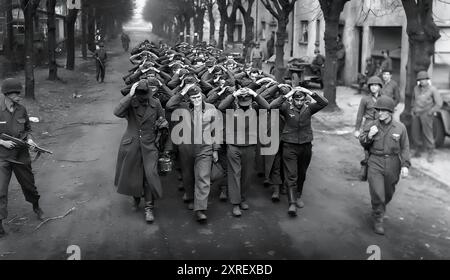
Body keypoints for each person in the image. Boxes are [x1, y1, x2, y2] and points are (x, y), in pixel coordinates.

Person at [113, 79, 170, 223]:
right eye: (139, 93)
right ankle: (136, 198)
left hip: (150, 145)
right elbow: (117, 112)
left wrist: (162, 127)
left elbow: (163, 122)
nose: (142, 96)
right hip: (132, 144)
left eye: (144, 93)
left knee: (149, 175)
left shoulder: (155, 103)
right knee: (134, 174)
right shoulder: (131, 103)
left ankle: (149, 208)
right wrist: (130, 95)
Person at [270, 86, 328, 216]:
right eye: (297, 100)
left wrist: (309, 92)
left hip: (306, 145)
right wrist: (289, 94)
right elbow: (272, 106)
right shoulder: (286, 107)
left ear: (305, 99)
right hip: (289, 146)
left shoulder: (309, 108)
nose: (299, 103)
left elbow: (324, 102)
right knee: (292, 174)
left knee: (302, 172)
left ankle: (298, 194)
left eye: (302, 100)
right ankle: (292, 203)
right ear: (293, 99)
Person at [166, 84, 220, 223]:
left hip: (205, 147)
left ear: (202, 95)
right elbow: (169, 105)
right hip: (187, 147)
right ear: (188, 98)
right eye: (193, 97)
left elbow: (216, 130)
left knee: (203, 176)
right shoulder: (182, 107)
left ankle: (200, 209)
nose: (196, 99)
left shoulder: (210, 108)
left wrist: (215, 149)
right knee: (188, 175)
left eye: (198, 96)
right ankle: (190, 196)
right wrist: (182, 92)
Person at [359, 96, 411, 235]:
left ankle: (378, 209)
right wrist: (369, 135)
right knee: (378, 193)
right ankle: (378, 218)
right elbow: (362, 142)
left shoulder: (400, 128)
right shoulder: (371, 125)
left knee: (388, 193)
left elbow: (405, 147)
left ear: (390, 112)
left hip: (393, 163)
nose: (379, 113)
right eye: (378, 110)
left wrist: (405, 165)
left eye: (383, 110)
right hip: (375, 161)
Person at [0, 78, 44, 236]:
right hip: (2, 156)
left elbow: (27, 129)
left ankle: (36, 206)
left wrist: (31, 140)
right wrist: (2, 142)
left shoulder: (22, 109)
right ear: (7, 94)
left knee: (29, 186)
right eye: (16, 93)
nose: (19, 95)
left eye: (19, 92)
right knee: (0, 190)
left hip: (21, 156)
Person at [218, 87, 270, 217]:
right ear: (237, 101)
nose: (245, 106)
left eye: (247, 103)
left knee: (247, 175)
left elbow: (268, 106)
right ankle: (235, 203)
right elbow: (220, 107)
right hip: (233, 145)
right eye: (242, 103)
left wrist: (255, 94)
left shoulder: (256, 108)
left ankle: (242, 198)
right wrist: (234, 94)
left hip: (250, 145)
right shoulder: (232, 107)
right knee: (235, 174)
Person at [411, 71, 443, 163]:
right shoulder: (416, 89)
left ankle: (431, 152)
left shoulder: (432, 89)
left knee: (428, 133)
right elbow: (413, 100)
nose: (422, 81)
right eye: (420, 80)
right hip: (417, 113)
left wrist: (431, 111)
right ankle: (418, 150)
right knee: (415, 132)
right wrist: (412, 109)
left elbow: (439, 103)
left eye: (424, 79)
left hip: (427, 113)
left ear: (427, 80)